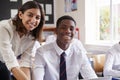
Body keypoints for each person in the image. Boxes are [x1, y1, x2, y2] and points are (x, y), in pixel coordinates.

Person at [33, 15, 97, 80]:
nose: (68, 31)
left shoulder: (79, 52)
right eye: (63, 28)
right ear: (56, 31)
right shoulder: (42, 52)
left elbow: (91, 76)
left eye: (71, 29)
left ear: (75, 32)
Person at [0, 1, 45, 80]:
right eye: (30, 15)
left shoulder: (32, 36)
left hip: (6, 62)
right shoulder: (4, 27)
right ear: (20, 15)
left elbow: (25, 62)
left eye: (37, 17)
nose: (33, 20)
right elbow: (10, 60)